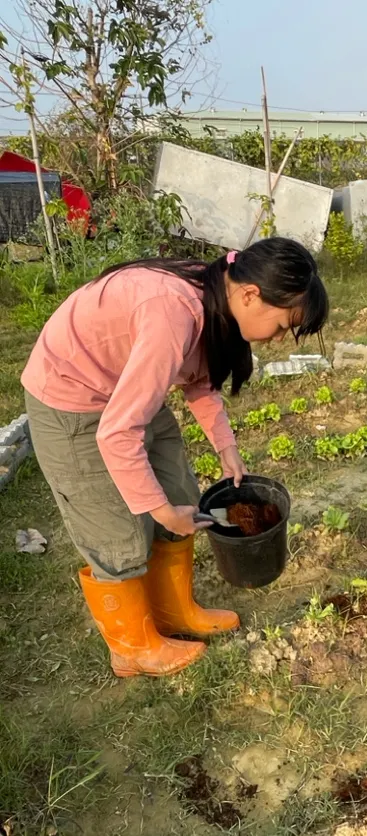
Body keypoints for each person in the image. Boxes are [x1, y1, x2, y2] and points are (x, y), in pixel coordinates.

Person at [22, 238, 329, 677]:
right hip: (72, 399)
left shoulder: (216, 295)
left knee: (182, 492)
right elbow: (117, 432)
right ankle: (133, 648)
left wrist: (226, 448)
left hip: (121, 387)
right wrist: (161, 511)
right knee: (118, 532)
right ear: (250, 294)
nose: (279, 338)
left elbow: (199, 378)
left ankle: (173, 613)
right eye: (282, 325)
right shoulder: (172, 312)